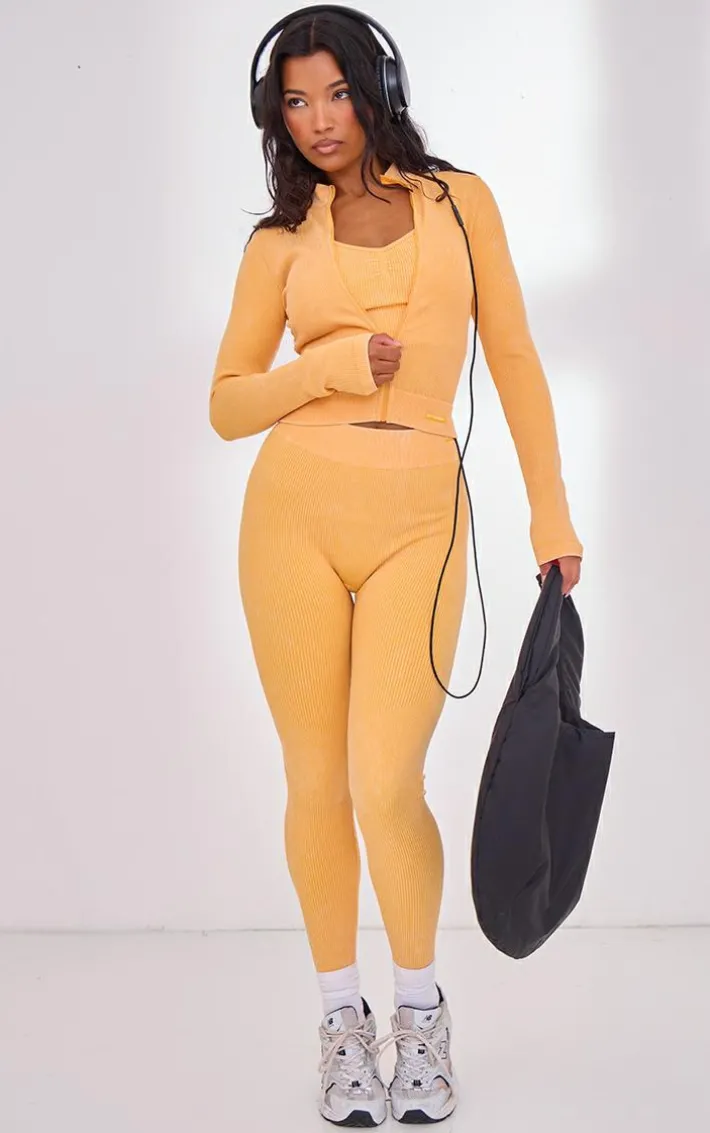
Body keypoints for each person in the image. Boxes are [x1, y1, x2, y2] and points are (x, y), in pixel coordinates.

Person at [209, 7, 582, 1126]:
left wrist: (551, 516)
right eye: (294, 101)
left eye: (336, 92)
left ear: (379, 88)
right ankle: (341, 1019)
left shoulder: (460, 204)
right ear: (276, 117)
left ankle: (419, 1012)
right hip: (292, 514)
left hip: (422, 513)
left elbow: (511, 355)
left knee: (386, 777)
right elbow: (227, 402)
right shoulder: (280, 241)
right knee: (316, 781)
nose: (318, 121)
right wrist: (323, 366)